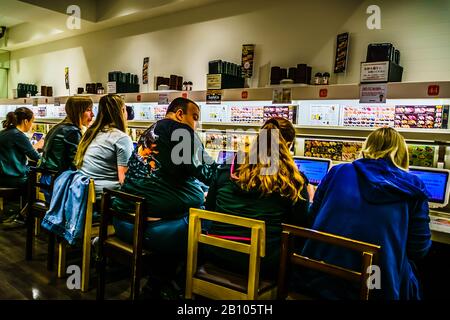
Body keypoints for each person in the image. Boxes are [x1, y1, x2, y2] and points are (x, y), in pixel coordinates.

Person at [296, 127, 431, 300]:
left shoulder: (338, 171)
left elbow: (312, 219)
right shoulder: (413, 185)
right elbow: (419, 249)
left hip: (320, 275)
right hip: (375, 285)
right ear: (402, 154)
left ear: (367, 147)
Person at [112, 97, 217, 297]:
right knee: (207, 223)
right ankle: (179, 286)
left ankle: (158, 282)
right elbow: (207, 173)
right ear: (179, 114)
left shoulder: (150, 131)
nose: (195, 124)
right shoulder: (182, 132)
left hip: (123, 222)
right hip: (153, 231)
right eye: (194, 117)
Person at [203, 117, 310, 278]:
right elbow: (299, 226)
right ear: (288, 145)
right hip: (262, 263)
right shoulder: (293, 181)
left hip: (216, 252)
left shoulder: (228, 168)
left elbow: (210, 208)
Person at [74, 94, 133, 197]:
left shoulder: (91, 133)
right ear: (122, 112)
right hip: (105, 199)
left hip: (83, 194)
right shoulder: (122, 138)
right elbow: (124, 180)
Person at [38, 96, 94, 200]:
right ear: (78, 111)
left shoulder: (58, 127)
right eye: (88, 110)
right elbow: (76, 162)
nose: (93, 114)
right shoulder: (72, 131)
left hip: (48, 179)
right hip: (58, 183)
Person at [0, 107, 42, 221]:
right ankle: (26, 214)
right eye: (32, 121)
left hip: (2, 176)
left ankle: (22, 212)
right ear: (25, 121)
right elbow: (37, 157)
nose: (32, 125)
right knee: (37, 182)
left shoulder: (5, 132)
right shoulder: (18, 135)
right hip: (12, 178)